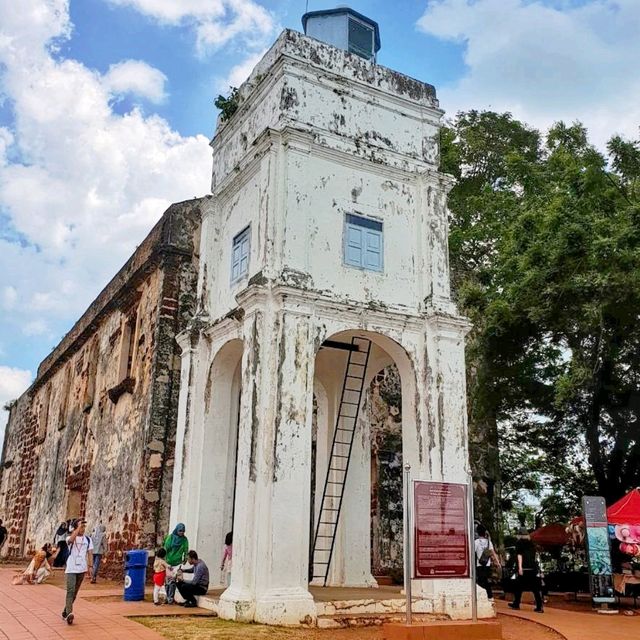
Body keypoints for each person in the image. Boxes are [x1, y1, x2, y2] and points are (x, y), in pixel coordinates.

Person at [62, 518, 94, 625]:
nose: (83, 529)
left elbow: (90, 553)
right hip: (71, 568)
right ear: (75, 527)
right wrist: (76, 529)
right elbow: (71, 540)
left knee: (75, 592)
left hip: (82, 568)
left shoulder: (88, 540)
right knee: (70, 590)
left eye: (84, 527)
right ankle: (69, 614)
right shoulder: (69, 538)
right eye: (81, 526)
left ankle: (66, 610)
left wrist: (90, 566)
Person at [509, 527, 543, 613]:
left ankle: (516, 603)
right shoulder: (531, 543)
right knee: (535, 588)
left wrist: (520, 567)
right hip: (532, 567)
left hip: (524, 567)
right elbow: (535, 556)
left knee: (519, 586)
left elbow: (519, 555)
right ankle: (539, 606)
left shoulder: (519, 543)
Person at [163, 523, 188, 604]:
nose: (182, 533)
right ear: (177, 530)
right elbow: (165, 548)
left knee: (173, 581)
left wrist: (185, 558)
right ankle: (168, 597)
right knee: (167, 581)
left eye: (183, 531)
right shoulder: (170, 538)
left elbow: (186, 549)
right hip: (168, 562)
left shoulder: (184, 540)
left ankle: (171, 598)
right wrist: (164, 560)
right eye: (180, 531)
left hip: (177, 563)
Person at [475, 524, 500, 600]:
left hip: (479, 564)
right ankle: (489, 595)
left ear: (477, 532)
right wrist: (497, 562)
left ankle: (483, 596)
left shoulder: (476, 542)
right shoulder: (489, 542)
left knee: (480, 581)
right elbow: (493, 553)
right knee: (486, 580)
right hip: (487, 564)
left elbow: (472, 552)